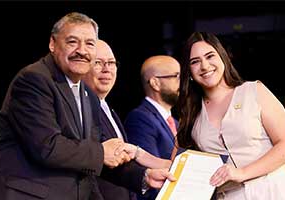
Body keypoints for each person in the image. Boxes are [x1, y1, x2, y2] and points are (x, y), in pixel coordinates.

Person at [0, 12, 174, 200]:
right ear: (52, 44)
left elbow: (91, 157)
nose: (82, 51)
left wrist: (144, 176)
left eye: (89, 43)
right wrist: (102, 152)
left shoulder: (87, 94)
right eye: (72, 42)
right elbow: (47, 146)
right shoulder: (33, 80)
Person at [177, 31, 285, 199]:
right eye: (195, 62)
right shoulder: (192, 114)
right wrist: (138, 153)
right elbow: (178, 165)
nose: (204, 66)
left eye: (210, 56)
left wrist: (242, 173)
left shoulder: (253, 91)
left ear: (223, 57)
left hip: (272, 190)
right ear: (189, 71)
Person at [82, 39, 172, 200]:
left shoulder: (108, 110)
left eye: (111, 63)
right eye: (98, 63)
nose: (106, 69)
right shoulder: (82, 112)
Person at [124, 55, 182, 200]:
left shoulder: (176, 122)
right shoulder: (140, 118)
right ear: (155, 83)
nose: (181, 82)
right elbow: (148, 172)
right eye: (176, 76)